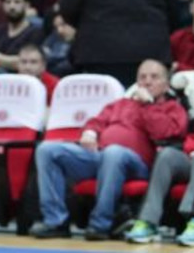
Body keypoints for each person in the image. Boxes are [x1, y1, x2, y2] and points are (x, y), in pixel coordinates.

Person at [31, 60, 188, 240]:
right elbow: (97, 121)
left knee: (113, 153)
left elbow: (165, 133)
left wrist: (149, 105)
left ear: (166, 84)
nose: (147, 81)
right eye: (142, 77)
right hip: (101, 156)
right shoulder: (120, 104)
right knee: (47, 150)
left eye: (154, 77)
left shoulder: (172, 108)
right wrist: (89, 133)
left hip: (138, 165)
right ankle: (56, 221)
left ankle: (101, 224)